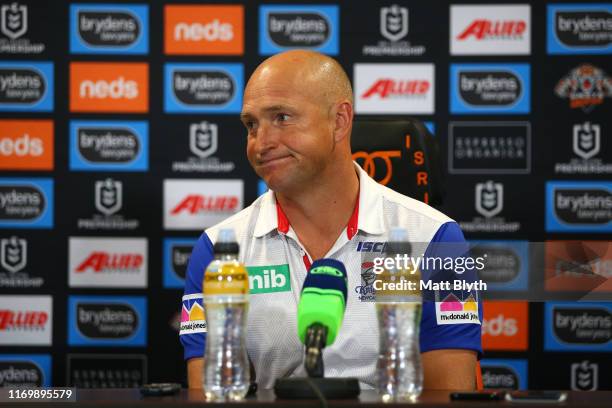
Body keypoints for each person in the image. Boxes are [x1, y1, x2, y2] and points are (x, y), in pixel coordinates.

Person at [180, 50, 482, 390]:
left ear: (339, 120)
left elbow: (448, 393)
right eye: (252, 124)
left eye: (281, 117)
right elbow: (212, 393)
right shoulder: (220, 252)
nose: (261, 143)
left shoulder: (436, 238)